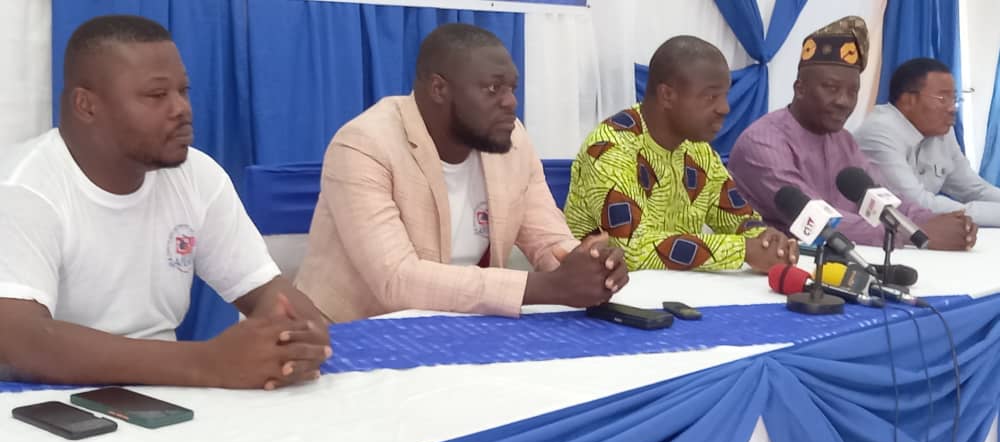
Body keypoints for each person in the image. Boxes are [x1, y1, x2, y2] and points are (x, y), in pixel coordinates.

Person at [0, 15, 330, 389]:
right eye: (157, 95)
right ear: (86, 105)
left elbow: (267, 291)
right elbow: (17, 341)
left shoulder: (198, 176)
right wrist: (207, 364)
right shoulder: (22, 188)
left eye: (183, 91)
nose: (181, 109)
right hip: (38, 402)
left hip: (166, 392)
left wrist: (296, 336)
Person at [294, 23, 628, 322]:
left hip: (462, 331)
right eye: (493, 89)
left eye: (512, 88)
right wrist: (547, 287)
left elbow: (549, 241)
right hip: (350, 334)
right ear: (439, 89)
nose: (511, 102)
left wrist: (589, 266)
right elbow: (397, 280)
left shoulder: (512, 139)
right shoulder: (363, 145)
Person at [728, 16, 976, 250]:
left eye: (852, 91)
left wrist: (938, 221)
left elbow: (883, 201)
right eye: (831, 88)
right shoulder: (762, 142)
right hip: (779, 267)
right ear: (800, 88)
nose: (844, 102)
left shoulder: (843, 140)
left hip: (849, 258)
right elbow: (814, 220)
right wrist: (914, 232)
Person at [562, 36, 798, 273]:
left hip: (679, 289)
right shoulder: (609, 149)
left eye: (725, 95)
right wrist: (742, 250)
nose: (725, 108)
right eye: (711, 97)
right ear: (667, 95)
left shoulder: (697, 150)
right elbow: (632, 249)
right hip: (604, 288)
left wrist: (767, 241)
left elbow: (738, 218)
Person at [855, 57, 1000, 226]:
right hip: (875, 233)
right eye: (942, 99)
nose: (952, 108)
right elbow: (917, 204)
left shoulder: (942, 131)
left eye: (954, 99)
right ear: (908, 100)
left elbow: (974, 188)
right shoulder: (879, 132)